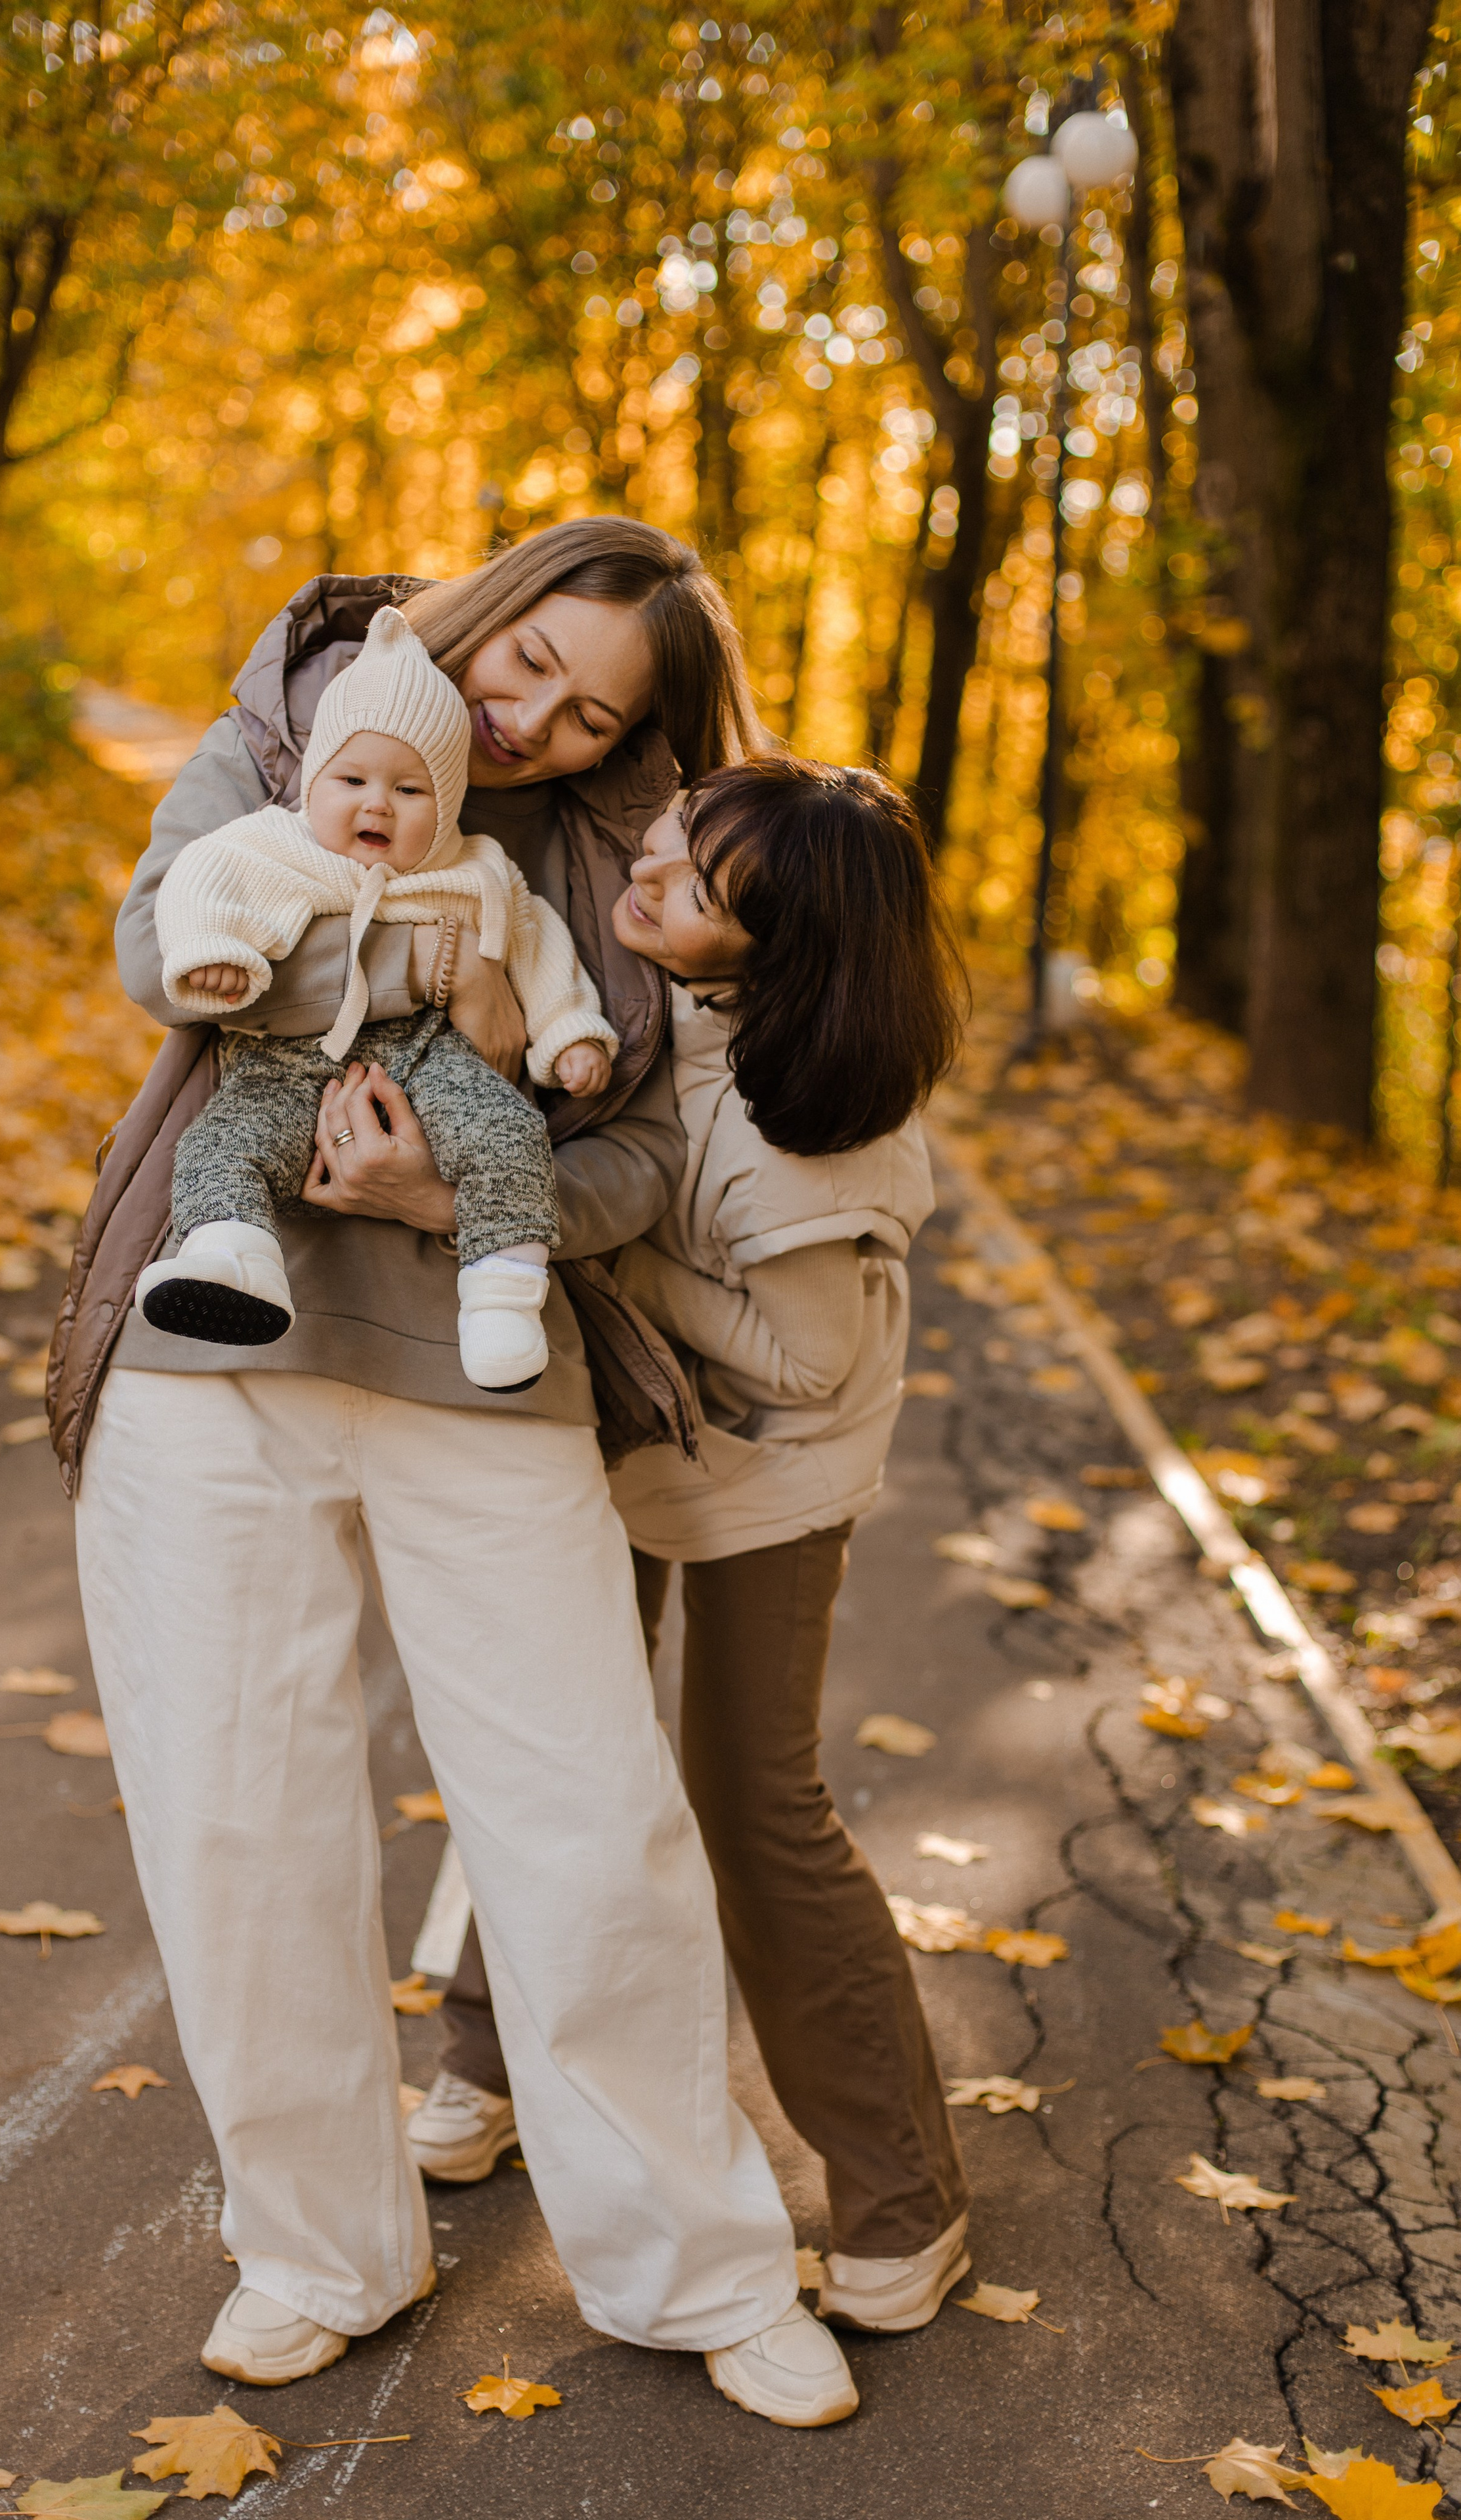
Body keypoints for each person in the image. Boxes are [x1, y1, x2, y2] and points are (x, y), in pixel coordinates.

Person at [51, 521, 864, 2429]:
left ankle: (698, 2265)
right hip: (209, 1349)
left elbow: (645, 1152)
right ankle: (313, 2248)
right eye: (526, 665)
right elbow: (157, 944)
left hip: (487, 1367)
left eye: (586, 718)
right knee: (234, 1815)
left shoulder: (628, 852)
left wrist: (458, 1172)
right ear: (484, 608)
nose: (529, 724)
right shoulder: (294, 719)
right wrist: (357, 892)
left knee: (586, 1814)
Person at [411, 753, 976, 2340]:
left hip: (763, 1478)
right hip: (627, 1433)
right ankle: (488, 2061)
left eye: (693, 885)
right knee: (558, 1756)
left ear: (772, 947)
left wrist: (596, 1255)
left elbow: (804, 1361)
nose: (645, 882)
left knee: (753, 1806)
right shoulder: (656, 987)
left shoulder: (800, 1121)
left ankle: (902, 2196)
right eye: (662, 847)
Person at [135, 606, 616, 1388]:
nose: (377, 805)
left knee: (507, 1134)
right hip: (288, 1061)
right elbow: (201, 880)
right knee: (219, 1144)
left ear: (448, 801)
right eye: (352, 780)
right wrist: (214, 948)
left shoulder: (476, 869)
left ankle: (502, 1295)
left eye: (410, 788)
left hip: (434, 1060)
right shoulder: (276, 843)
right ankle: (233, 1255)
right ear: (316, 780)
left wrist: (570, 1030)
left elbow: (538, 945)